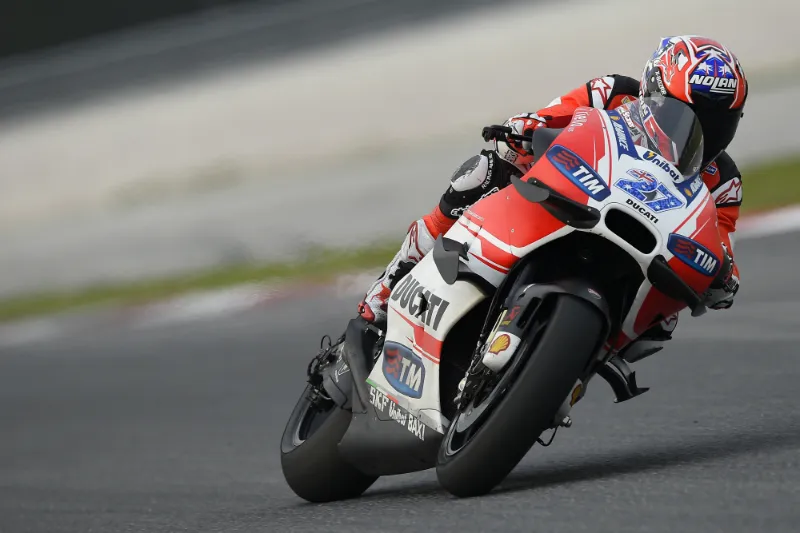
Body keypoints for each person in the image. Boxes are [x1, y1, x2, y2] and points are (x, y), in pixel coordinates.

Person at [357, 35, 747, 361]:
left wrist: (725, 275)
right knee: (484, 171)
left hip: (641, 247)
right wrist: (526, 127)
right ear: (653, 90)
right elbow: (556, 116)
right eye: (686, 116)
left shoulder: (724, 181)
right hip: (571, 195)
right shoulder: (613, 93)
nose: (701, 134)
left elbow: (720, 242)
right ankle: (387, 288)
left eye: (718, 125)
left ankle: (579, 367)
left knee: (666, 315)